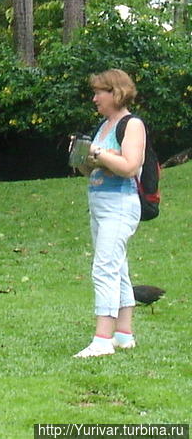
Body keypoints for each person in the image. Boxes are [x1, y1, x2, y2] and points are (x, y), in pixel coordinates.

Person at [74, 69, 146, 358]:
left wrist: (99, 154)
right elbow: (92, 168)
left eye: (99, 93)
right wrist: (82, 157)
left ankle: (102, 340)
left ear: (115, 93)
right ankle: (123, 334)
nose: (94, 99)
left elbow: (130, 166)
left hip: (121, 204)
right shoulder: (104, 126)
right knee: (118, 267)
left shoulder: (133, 124)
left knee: (103, 268)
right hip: (99, 203)